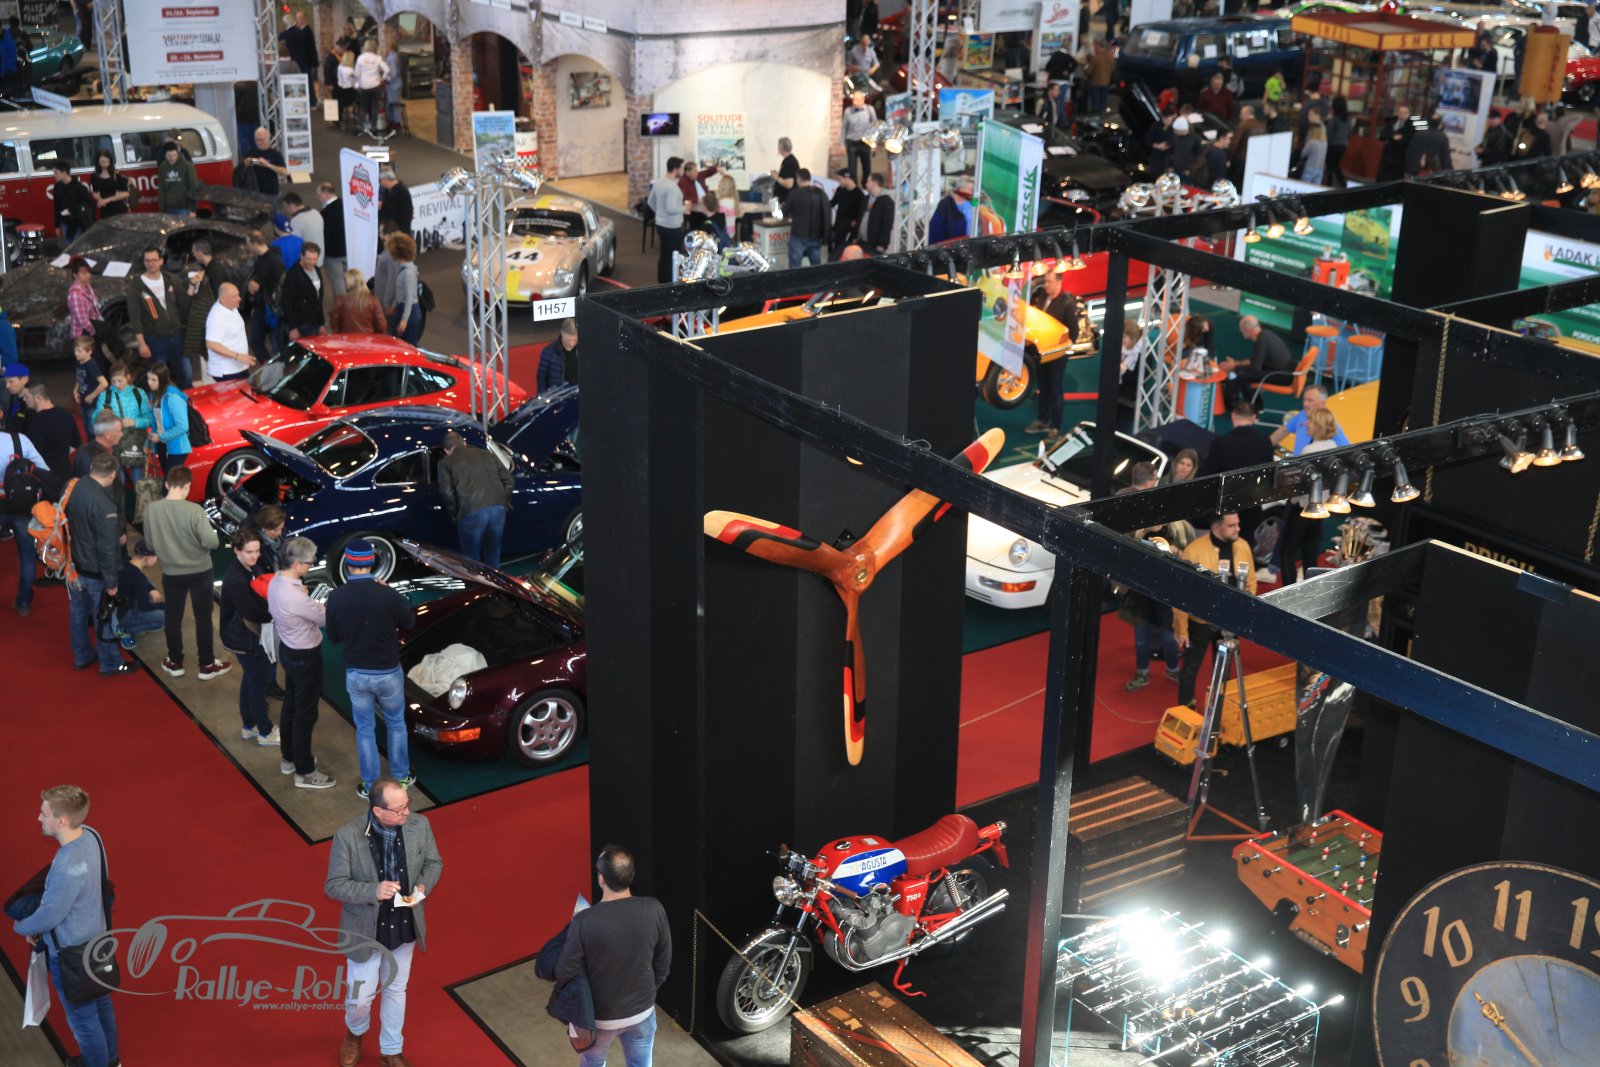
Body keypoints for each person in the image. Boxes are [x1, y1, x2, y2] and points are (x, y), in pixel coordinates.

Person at [327, 777, 444, 1067]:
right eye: (399, 809)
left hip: (404, 925)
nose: (407, 813)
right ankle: (355, 1032)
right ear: (378, 810)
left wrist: (422, 887)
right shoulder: (347, 836)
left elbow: (433, 863)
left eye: (407, 805)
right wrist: (372, 891)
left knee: (395, 989)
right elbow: (334, 885)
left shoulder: (419, 825)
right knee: (360, 999)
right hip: (365, 932)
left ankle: (391, 1050)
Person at [10, 785, 120, 1067]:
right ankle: (111, 1060)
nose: (38, 818)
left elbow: (50, 916)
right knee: (101, 1002)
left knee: (83, 1021)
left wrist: (21, 927)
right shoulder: (92, 836)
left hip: (71, 956)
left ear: (61, 821)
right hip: (98, 942)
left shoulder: (67, 867)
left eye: (44, 813)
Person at [556, 846, 671, 1067]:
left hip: (599, 1019)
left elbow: (564, 971)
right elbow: (663, 963)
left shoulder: (584, 921)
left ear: (601, 878)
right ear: (631, 875)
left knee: (593, 1062)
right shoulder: (654, 909)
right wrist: (648, 991)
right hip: (642, 1012)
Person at [327, 539, 416, 798]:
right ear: (372, 562)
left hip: (357, 674)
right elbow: (409, 622)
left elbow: (333, 637)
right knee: (395, 724)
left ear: (348, 564)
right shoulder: (386, 594)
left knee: (365, 730)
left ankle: (370, 784)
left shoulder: (336, 596)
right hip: (388, 672)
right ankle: (401, 776)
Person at [144, 465, 229, 679]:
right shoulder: (195, 511)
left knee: (173, 617)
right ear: (188, 486)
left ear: (166, 484)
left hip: (171, 573)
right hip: (200, 571)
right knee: (203, 618)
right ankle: (207, 664)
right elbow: (212, 542)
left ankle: (175, 661)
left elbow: (150, 544)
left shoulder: (151, 510)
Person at [270, 536, 337, 789]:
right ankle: (305, 771)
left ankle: (289, 757)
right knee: (305, 714)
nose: (312, 565)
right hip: (305, 657)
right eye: (310, 562)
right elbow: (324, 618)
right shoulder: (295, 597)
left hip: (289, 650)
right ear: (297, 563)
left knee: (291, 705)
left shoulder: (276, 582)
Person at [1173, 512, 1257, 707]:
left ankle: (1218, 707)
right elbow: (1181, 594)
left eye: (1237, 524)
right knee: (1191, 667)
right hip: (1200, 624)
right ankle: (1186, 706)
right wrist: (1181, 629)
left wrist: (1244, 615)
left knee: (1224, 669)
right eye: (1232, 525)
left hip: (1230, 622)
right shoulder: (1193, 551)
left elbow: (1251, 582)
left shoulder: (1243, 546)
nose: (1238, 529)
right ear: (1216, 527)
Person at [66, 453, 134, 675]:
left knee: (78, 613)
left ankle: (82, 655)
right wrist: (112, 582)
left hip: (76, 565)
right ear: (113, 474)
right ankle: (110, 663)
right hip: (96, 572)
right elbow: (107, 548)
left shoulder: (76, 486)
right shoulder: (104, 505)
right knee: (104, 617)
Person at [220, 527, 279, 742]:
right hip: (244, 639)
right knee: (258, 685)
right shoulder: (236, 579)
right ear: (237, 550)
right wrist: (278, 610)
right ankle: (264, 731)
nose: (255, 556)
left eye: (257, 551)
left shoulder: (249, 568)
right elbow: (252, 612)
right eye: (249, 552)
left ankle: (249, 725)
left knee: (251, 680)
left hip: (247, 635)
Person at [1276, 408, 1339, 586]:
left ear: (1318, 425)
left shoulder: (1309, 450)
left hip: (1301, 509)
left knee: (1287, 553)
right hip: (1320, 510)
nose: (1305, 423)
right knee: (1310, 556)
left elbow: (1298, 485)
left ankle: (1289, 593)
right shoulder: (1333, 446)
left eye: (1310, 421)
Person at [438, 429, 515, 568]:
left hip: (471, 511)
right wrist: (503, 501)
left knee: (471, 558)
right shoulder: (487, 454)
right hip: (498, 509)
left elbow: (446, 493)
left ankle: (475, 580)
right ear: (464, 442)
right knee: (493, 552)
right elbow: (509, 481)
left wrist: (455, 513)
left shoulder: (445, 463)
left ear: (446, 450)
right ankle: (494, 579)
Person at [128, 245, 193, 390]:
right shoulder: (137, 286)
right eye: (147, 260)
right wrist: (141, 343)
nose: (151, 263)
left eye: (154, 260)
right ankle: (161, 401)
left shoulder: (171, 279)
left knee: (187, 373)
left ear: (161, 261)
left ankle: (186, 399)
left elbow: (184, 303)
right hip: (155, 339)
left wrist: (192, 286)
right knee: (158, 378)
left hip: (177, 335)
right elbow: (134, 316)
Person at [1028, 271, 1080, 438]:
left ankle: (1055, 426)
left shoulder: (1067, 304)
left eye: (1049, 282)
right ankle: (1042, 420)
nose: (1046, 285)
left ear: (1059, 282)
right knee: (1042, 387)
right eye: (1045, 282)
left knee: (1055, 388)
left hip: (1057, 355)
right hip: (1042, 352)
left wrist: (1062, 349)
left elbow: (1074, 332)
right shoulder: (1042, 297)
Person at [2, 427, 47, 615]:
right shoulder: (19, 440)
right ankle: (23, 602)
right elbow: (43, 469)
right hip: (22, 503)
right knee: (27, 556)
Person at [92, 361, 152, 488]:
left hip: (135, 441)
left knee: (138, 480)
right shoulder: (105, 396)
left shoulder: (139, 393)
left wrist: (134, 422)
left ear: (128, 377)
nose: (117, 385)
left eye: (120, 381)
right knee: (118, 481)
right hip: (114, 443)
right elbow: (95, 423)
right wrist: (100, 415)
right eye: (113, 381)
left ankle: (140, 500)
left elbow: (149, 419)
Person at [1224, 315, 1295, 396]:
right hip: (1282, 372)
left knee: (1243, 377)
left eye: (1241, 328)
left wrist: (1236, 367)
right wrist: (1236, 364)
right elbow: (1255, 359)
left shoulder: (1261, 342)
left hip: (1280, 376)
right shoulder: (1265, 335)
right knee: (1241, 372)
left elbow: (1255, 368)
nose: (1240, 330)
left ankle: (1252, 403)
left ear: (1248, 329)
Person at [114, 540, 167, 647]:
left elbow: (142, 582)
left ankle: (123, 625)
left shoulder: (126, 562)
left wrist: (151, 589)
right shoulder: (138, 577)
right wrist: (166, 606)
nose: (157, 560)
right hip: (124, 614)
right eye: (156, 557)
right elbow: (145, 606)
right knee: (165, 617)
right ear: (147, 558)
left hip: (118, 605)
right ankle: (124, 630)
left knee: (150, 586)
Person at [22, 381, 79, 479]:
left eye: (27, 396)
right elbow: (76, 442)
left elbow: (32, 452)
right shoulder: (66, 414)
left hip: (45, 475)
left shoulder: (37, 421)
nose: (24, 399)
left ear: (38, 398)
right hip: (65, 470)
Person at [203, 281, 254, 383]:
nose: (239, 298)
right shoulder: (217, 317)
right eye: (234, 296)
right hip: (227, 371)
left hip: (238, 367)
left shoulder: (231, 307)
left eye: (238, 294)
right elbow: (211, 344)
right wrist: (237, 356)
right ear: (223, 299)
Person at [646, 157, 686, 285]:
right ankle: (671, 282)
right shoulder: (672, 187)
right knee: (674, 256)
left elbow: (650, 202)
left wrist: (660, 214)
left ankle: (663, 281)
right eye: (681, 168)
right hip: (673, 227)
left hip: (661, 225)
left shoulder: (659, 182)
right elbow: (671, 208)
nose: (682, 171)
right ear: (676, 169)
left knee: (664, 255)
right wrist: (685, 208)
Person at [146, 363, 191, 470]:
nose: (149, 382)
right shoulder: (155, 395)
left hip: (176, 448)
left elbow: (183, 426)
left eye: (154, 379)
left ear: (162, 380)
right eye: (148, 378)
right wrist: (150, 442)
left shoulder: (173, 397)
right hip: (162, 444)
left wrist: (160, 437)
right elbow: (156, 423)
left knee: (170, 480)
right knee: (168, 478)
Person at [283, 243, 331, 342]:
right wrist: (293, 327)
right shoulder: (294, 274)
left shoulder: (316, 269)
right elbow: (286, 301)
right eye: (309, 259)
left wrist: (321, 323)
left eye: (315, 259)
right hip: (302, 324)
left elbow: (318, 299)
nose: (312, 262)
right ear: (301, 256)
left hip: (314, 322)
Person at [785, 168, 830, 268]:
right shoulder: (821, 193)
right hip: (816, 237)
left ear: (798, 179)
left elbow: (784, 212)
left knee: (794, 267)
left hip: (798, 236)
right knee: (816, 267)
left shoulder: (795, 194)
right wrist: (826, 238)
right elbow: (827, 215)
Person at [387, 233, 422, 345]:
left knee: (408, 346)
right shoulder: (403, 267)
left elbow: (409, 299)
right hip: (403, 308)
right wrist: (394, 305)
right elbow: (400, 292)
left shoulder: (408, 273)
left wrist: (404, 320)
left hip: (409, 312)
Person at [72, 336, 109, 438]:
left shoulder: (91, 365)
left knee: (94, 428)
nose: (76, 353)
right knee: (86, 426)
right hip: (84, 401)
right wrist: (75, 390)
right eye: (75, 351)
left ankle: (96, 444)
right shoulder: (79, 362)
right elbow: (80, 377)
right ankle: (90, 443)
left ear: (89, 352)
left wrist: (92, 396)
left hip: (93, 403)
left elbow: (104, 383)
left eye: (79, 351)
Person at [280, 9, 319, 102]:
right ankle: (310, 101)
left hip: (305, 62)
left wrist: (313, 62)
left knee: (306, 83)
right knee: (305, 83)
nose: (298, 20)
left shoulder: (306, 31)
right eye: (297, 18)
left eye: (300, 18)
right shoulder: (301, 31)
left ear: (305, 18)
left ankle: (311, 101)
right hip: (302, 62)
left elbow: (310, 48)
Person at [318, 181, 349, 296]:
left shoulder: (325, 213)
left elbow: (325, 235)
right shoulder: (346, 205)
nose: (318, 198)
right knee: (349, 281)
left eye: (319, 195)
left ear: (326, 194)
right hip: (348, 251)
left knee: (338, 282)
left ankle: (342, 305)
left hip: (333, 256)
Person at [333, 270, 388, 334]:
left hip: (347, 338)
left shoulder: (340, 301)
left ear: (349, 283)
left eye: (345, 280)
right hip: (368, 338)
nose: (344, 283)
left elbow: (334, 325)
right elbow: (382, 326)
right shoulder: (374, 301)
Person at [51, 163, 93, 243]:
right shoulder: (57, 187)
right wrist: (57, 225)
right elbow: (56, 206)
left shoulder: (80, 188)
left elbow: (88, 206)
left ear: (64, 172)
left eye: (56, 173)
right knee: (68, 244)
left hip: (77, 222)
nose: (54, 175)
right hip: (64, 222)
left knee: (77, 245)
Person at [157, 140, 200, 217]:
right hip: (170, 207)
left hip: (184, 208)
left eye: (174, 155)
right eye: (169, 156)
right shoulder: (163, 167)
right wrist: (162, 210)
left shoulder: (187, 166)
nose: (172, 158)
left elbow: (194, 187)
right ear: (165, 155)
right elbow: (161, 189)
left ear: (178, 153)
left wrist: (193, 210)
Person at [842, 90, 877, 184]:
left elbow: (875, 128)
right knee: (852, 169)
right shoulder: (848, 111)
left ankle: (866, 186)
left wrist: (874, 144)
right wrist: (842, 144)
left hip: (865, 143)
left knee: (866, 167)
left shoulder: (869, 110)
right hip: (852, 142)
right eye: (853, 100)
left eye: (857, 100)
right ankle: (854, 187)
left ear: (863, 100)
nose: (854, 102)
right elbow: (844, 128)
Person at [242, 127, 288, 198]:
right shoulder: (250, 153)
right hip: (255, 191)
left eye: (262, 140)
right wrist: (245, 164)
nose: (259, 142)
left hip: (272, 192)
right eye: (257, 140)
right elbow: (240, 171)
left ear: (267, 139)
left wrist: (268, 165)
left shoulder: (275, 154)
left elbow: (284, 172)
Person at [354, 41, 390, 130]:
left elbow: (357, 74)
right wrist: (383, 78)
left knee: (363, 107)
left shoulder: (361, 58)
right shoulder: (377, 58)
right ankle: (373, 127)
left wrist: (357, 84)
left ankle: (360, 127)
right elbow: (387, 69)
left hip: (364, 86)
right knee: (374, 107)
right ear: (375, 47)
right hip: (376, 85)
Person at [830, 170, 865, 257]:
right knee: (834, 252)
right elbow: (832, 203)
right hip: (837, 228)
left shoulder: (859, 195)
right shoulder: (840, 190)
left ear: (847, 178)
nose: (839, 182)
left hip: (849, 232)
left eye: (840, 179)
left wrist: (855, 233)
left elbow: (860, 216)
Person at [928, 177, 973, 245]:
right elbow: (935, 228)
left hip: (970, 243)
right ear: (961, 189)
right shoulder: (945, 204)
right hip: (952, 245)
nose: (972, 193)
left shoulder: (971, 203)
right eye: (970, 190)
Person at [89, 149, 131, 220]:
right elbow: (95, 192)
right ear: (97, 162)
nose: (105, 164)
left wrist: (107, 200)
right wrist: (100, 199)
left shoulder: (117, 175)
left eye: (107, 162)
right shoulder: (94, 176)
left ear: (110, 162)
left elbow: (126, 193)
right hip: (105, 208)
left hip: (119, 208)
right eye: (102, 162)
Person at [539, 318, 579, 393]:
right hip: (558, 394)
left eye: (575, 340)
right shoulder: (549, 351)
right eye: (568, 340)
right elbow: (542, 377)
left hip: (578, 392)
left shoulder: (583, 350)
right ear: (562, 333)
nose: (572, 343)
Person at [1377, 106, 1414, 183]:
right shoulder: (1391, 122)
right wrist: (1393, 137)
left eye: (1405, 113)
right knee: (1382, 176)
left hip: (1400, 157)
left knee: (1396, 179)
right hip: (1387, 155)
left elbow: (1404, 141)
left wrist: (1390, 139)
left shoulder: (1411, 126)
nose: (1403, 115)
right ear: (1398, 113)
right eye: (1401, 113)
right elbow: (1382, 136)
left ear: (1409, 114)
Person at [859, 172, 894, 255]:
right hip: (862, 242)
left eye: (868, 181)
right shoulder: (866, 198)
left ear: (874, 183)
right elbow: (861, 217)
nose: (866, 184)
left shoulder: (887, 201)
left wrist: (882, 243)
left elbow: (887, 224)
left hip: (875, 245)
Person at [378, 169, 413, 236]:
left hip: (398, 233)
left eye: (380, 180)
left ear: (385, 179)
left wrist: (402, 234)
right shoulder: (387, 191)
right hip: (387, 232)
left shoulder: (402, 191)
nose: (380, 183)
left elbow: (406, 215)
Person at [1325, 96, 1350, 187]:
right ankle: (1342, 183)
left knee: (1330, 166)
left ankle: (1330, 184)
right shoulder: (1347, 119)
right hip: (1343, 146)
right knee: (1335, 165)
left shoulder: (1335, 119)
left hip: (1333, 145)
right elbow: (1349, 132)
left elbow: (1329, 133)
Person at [1085, 42, 1115, 114]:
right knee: (1104, 99)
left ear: (1098, 47)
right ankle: (1103, 114)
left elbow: (1089, 71)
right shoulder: (1110, 57)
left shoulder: (1096, 58)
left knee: (1095, 101)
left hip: (1095, 82)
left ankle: (1095, 114)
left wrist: (1085, 70)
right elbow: (1113, 68)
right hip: (1106, 81)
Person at [770, 137, 800, 206]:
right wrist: (779, 174)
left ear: (781, 148)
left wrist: (776, 177)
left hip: (786, 201)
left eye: (778, 146)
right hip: (783, 200)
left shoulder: (790, 162)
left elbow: (789, 184)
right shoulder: (788, 160)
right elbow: (786, 176)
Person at [1300, 114, 1328, 184]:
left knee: (1304, 187)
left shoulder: (1311, 142)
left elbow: (1303, 154)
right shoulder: (1325, 143)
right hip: (1320, 169)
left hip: (1310, 167)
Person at [3, 360, 29, 434]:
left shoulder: (31, 405)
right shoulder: (14, 397)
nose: (7, 386)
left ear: (24, 380)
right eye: (6, 382)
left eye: (11, 381)